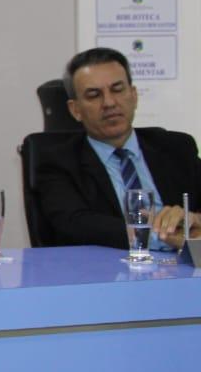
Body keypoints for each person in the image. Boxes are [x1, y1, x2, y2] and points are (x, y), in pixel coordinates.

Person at [33, 47, 201, 249]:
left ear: (134, 95)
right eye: (94, 95)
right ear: (75, 109)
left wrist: (195, 221)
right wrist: (165, 236)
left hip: (183, 267)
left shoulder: (177, 148)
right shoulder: (58, 161)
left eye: (117, 89)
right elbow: (75, 225)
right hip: (109, 267)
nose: (109, 103)